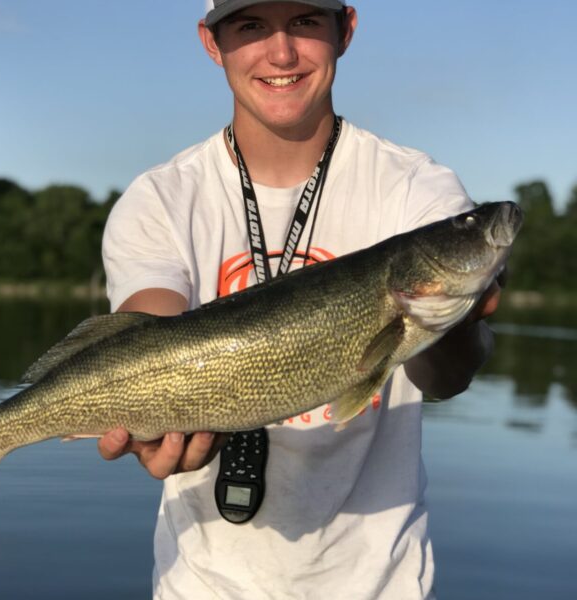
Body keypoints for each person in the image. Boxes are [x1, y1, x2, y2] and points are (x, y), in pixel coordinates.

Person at [99, 1, 501, 598]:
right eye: (251, 26)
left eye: (306, 22)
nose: (281, 53)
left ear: (347, 31)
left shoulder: (419, 191)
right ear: (212, 43)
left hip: (379, 583)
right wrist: (155, 429)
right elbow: (149, 330)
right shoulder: (160, 198)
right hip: (200, 584)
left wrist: (459, 319)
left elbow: (445, 380)